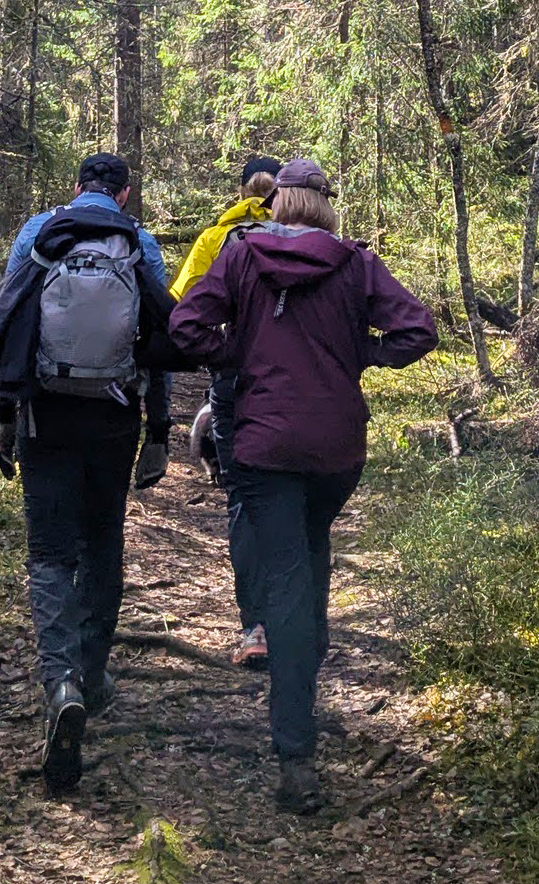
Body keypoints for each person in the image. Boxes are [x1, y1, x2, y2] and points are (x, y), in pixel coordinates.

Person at [168, 156, 436, 813]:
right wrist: (362, 353)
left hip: (264, 445)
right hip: (335, 448)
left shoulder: (242, 254)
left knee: (289, 578)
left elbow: (186, 326)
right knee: (309, 556)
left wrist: (237, 355)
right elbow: (417, 330)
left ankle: (296, 756)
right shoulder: (356, 263)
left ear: (279, 202)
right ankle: (302, 688)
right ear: (325, 205)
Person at [0, 151, 175, 794]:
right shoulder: (138, 242)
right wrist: (159, 431)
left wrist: (4, 419)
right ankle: (89, 672)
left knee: (51, 554)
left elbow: (9, 326)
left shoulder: (39, 232)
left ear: (77, 187)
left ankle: (61, 682)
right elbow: (159, 343)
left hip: (45, 415)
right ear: (125, 192)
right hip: (114, 416)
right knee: (102, 541)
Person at [170, 153, 282, 668]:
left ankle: (254, 627)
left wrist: (219, 353)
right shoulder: (305, 239)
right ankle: (297, 623)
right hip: (294, 388)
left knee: (242, 497)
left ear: (240, 193)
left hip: (235, 383)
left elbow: (181, 307)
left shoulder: (216, 239)